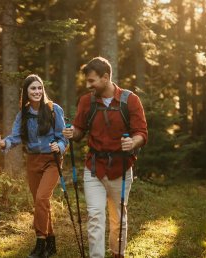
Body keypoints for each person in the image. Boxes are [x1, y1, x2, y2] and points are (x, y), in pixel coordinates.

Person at [62, 57, 148, 258]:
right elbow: (79, 131)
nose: (88, 85)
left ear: (106, 77)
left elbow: (141, 133)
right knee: (95, 216)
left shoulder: (130, 100)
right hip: (94, 168)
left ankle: (117, 253)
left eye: (92, 81)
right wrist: (71, 132)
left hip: (121, 168)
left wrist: (132, 143)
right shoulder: (87, 101)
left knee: (118, 218)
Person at [0, 74, 68, 258]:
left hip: (52, 160)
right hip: (33, 161)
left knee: (42, 198)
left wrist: (60, 146)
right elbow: (15, 137)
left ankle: (40, 242)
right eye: (33, 88)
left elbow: (63, 136)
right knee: (41, 202)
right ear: (26, 92)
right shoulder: (23, 114)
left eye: (39, 88)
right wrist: (2, 143)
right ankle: (52, 242)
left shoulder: (53, 109)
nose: (37, 91)